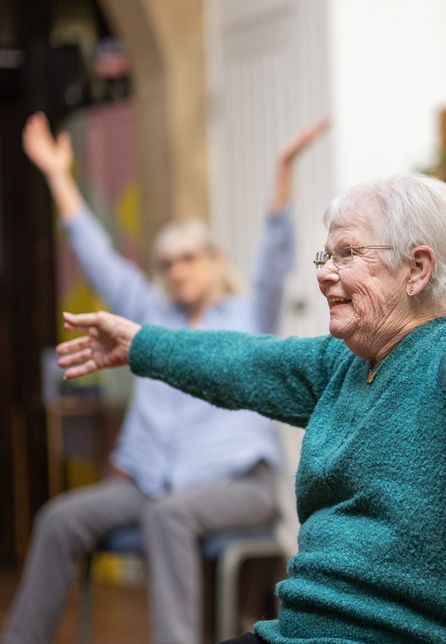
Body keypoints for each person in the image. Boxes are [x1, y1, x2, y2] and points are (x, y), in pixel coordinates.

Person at [53, 173, 446, 644]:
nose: (324, 274)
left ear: (417, 270)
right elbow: (249, 363)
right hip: (303, 631)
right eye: (326, 255)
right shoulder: (348, 363)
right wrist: (140, 344)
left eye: (347, 254)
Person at [3, 114, 328, 644]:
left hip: (237, 485)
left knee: (168, 517)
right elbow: (98, 257)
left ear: (214, 261)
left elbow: (274, 251)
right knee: (59, 519)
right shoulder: (148, 315)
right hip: (150, 482)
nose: (178, 270)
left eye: (190, 259)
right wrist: (58, 175)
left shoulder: (248, 313)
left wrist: (284, 168)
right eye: (168, 261)